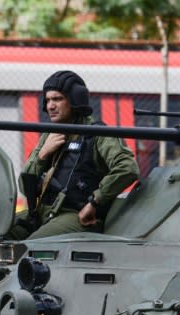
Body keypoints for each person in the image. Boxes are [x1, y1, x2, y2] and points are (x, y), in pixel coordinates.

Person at [10, 70, 139, 240]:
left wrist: (94, 202)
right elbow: (24, 185)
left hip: (76, 215)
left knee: (33, 246)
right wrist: (42, 155)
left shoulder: (97, 134)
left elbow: (127, 168)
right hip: (42, 213)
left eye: (57, 99)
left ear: (74, 100)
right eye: (48, 100)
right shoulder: (49, 136)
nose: (50, 106)